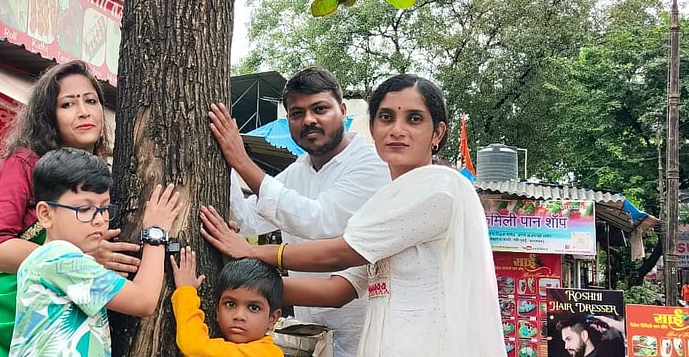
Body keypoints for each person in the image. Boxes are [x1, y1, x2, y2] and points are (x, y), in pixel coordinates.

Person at [201, 74, 506, 356]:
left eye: (414, 119)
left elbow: (336, 243)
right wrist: (240, 289)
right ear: (373, 126)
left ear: (437, 132)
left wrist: (253, 250)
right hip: (366, 342)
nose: (397, 129)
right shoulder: (386, 196)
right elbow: (338, 289)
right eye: (386, 117)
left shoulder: (437, 185)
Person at [208, 66, 387, 357]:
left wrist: (241, 161)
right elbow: (250, 220)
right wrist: (222, 156)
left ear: (342, 111)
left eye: (320, 109)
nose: (309, 120)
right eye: (297, 113)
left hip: (362, 335)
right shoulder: (299, 171)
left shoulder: (371, 165)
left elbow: (318, 219)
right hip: (307, 333)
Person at [0, 60, 141, 357]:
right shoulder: (20, 166)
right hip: (15, 326)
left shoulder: (102, 174)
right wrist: (81, 259)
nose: (84, 111)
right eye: (68, 104)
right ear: (49, 116)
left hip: (75, 325)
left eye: (91, 101)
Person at [8, 148, 181, 356]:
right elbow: (143, 300)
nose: (99, 219)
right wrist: (156, 231)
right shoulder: (60, 257)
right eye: (83, 209)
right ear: (45, 214)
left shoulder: (44, 261)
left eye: (104, 208)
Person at [169, 247, 283, 357]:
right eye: (230, 304)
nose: (239, 316)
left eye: (254, 308)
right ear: (218, 311)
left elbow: (195, 347)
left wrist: (185, 292)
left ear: (272, 318)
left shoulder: (268, 353)